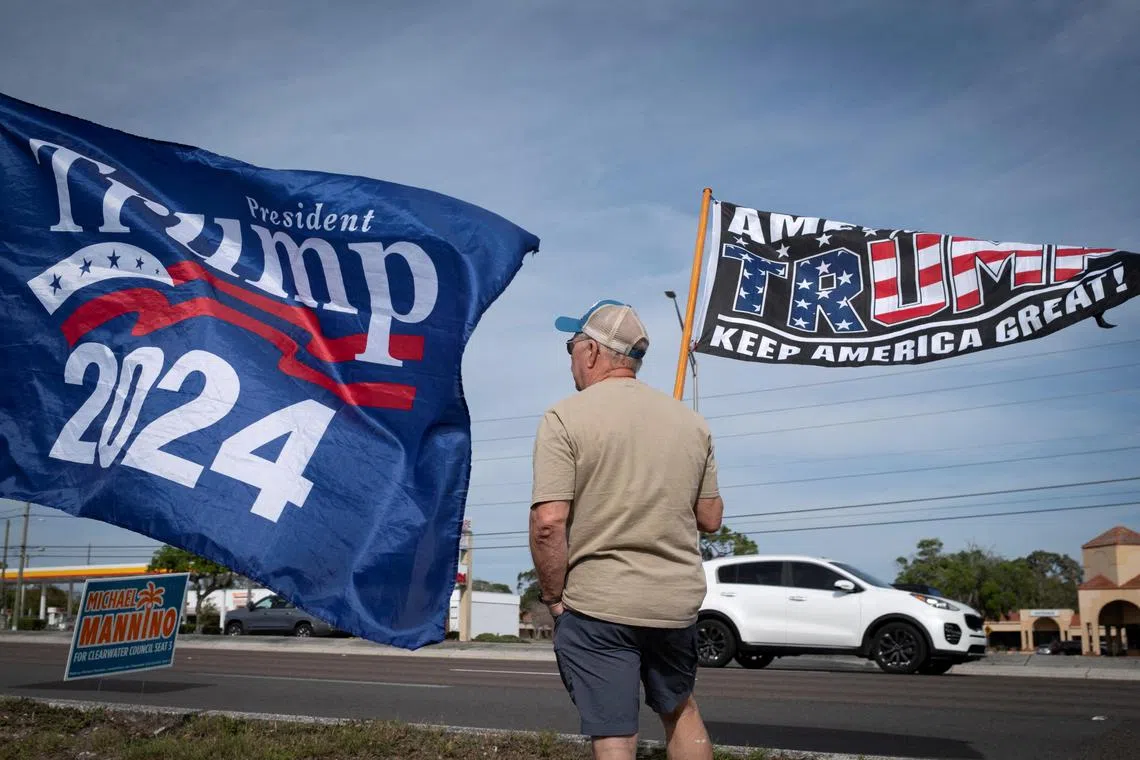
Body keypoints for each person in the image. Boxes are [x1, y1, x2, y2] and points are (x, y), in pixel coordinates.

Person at [529, 298, 724, 760]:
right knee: (680, 710)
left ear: (593, 353)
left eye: (572, 346)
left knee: (615, 730)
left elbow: (548, 523)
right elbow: (711, 518)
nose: (571, 358)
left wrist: (555, 599)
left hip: (601, 605)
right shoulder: (692, 423)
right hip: (674, 606)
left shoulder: (564, 417)